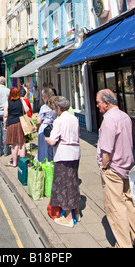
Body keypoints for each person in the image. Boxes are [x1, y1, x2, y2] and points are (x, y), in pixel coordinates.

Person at [96, 89, 135, 248]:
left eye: (99, 103)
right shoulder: (124, 116)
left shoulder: (109, 120)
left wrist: (104, 167)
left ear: (107, 102)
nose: (97, 106)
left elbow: (107, 151)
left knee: (115, 208)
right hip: (127, 167)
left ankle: (124, 244)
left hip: (113, 169)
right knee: (128, 204)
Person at [45, 96, 81, 228]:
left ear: (58, 108)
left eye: (55, 108)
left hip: (63, 155)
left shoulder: (59, 121)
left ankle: (68, 218)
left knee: (64, 185)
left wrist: (46, 139)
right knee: (73, 182)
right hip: (75, 154)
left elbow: (53, 141)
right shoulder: (74, 119)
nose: (55, 110)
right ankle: (77, 212)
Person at [3, 87, 29, 167]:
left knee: (14, 145)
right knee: (21, 144)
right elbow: (27, 110)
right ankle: (22, 163)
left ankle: (14, 163)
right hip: (20, 123)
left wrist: (5, 125)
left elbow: (5, 115)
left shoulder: (7, 102)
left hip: (11, 124)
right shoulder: (21, 100)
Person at [37, 88, 56, 162]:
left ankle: (44, 165)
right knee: (52, 150)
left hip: (44, 130)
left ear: (45, 98)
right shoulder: (55, 107)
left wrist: (37, 128)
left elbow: (39, 121)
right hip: (53, 128)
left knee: (43, 150)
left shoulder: (44, 107)